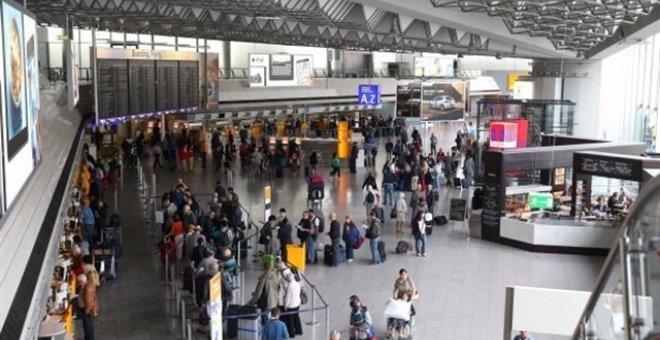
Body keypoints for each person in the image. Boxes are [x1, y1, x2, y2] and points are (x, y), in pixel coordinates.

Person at [76, 273, 99, 340]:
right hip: (86, 310)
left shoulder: (87, 289)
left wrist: (86, 312)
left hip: (87, 310)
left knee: (88, 326)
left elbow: (89, 303)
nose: (78, 283)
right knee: (87, 325)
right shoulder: (85, 286)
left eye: (79, 281)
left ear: (82, 281)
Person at [282, 271, 303, 337]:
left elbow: (287, 298)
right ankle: (299, 331)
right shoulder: (297, 284)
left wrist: (285, 306)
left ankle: (292, 334)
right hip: (297, 303)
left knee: (290, 320)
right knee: (296, 317)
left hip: (291, 306)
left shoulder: (290, 287)